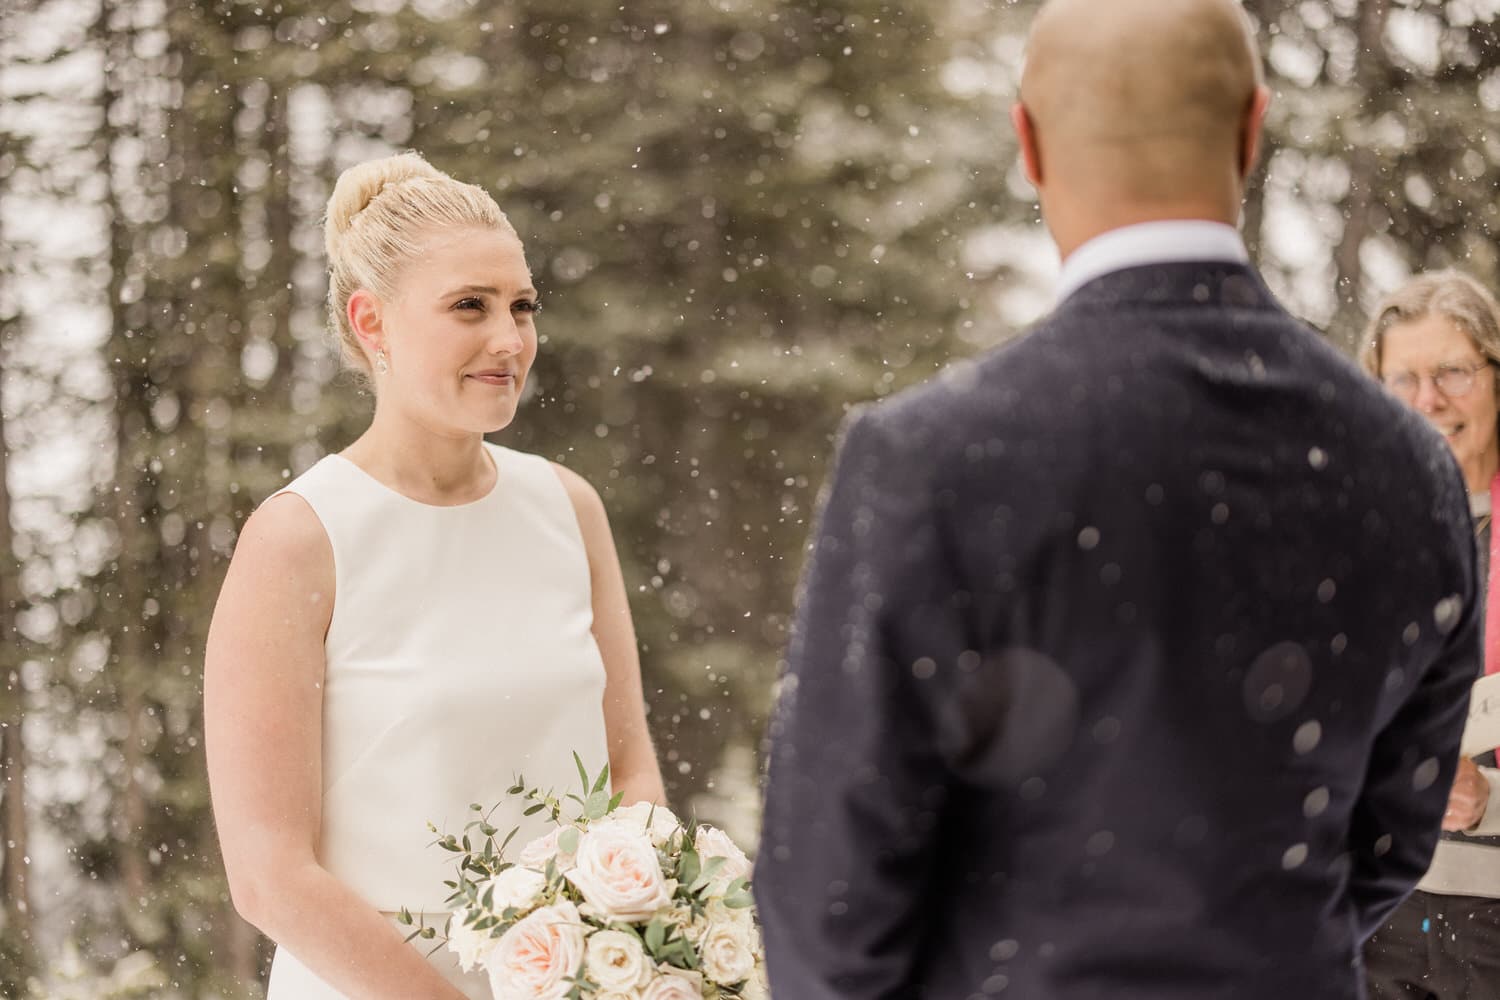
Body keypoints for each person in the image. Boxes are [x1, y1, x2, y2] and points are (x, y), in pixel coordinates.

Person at [754, 1, 1479, 997]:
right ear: (1251, 128)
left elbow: (831, 890)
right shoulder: (1408, 464)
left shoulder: (930, 454)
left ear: (1028, 143)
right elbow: (1394, 832)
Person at [203, 151, 665, 999]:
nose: (509, 338)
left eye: (521, 307)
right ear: (371, 322)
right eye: (469, 307)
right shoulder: (299, 539)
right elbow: (269, 875)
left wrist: (633, 955)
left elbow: (631, 771)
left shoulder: (568, 507)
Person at [1360, 270, 1500, 999]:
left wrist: (1490, 799)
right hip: (1378, 916)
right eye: (1402, 378)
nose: (1428, 400)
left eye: (1452, 371)